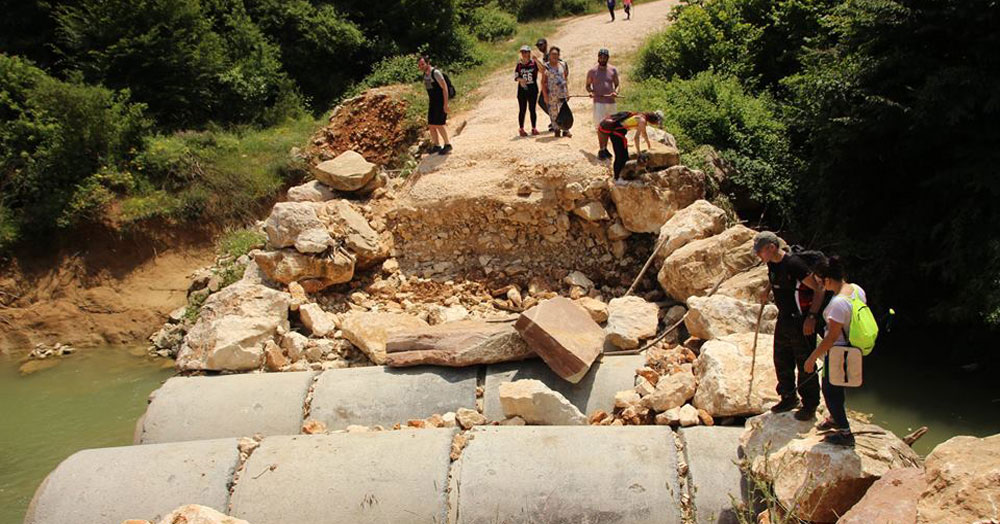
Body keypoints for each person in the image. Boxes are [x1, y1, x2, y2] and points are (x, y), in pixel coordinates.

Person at [753, 231, 826, 421]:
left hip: (801, 320)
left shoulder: (794, 265)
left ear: (771, 247)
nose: (758, 255)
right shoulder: (772, 263)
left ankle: (810, 404)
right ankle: (788, 397)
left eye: (760, 251)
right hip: (784, 318)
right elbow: (774, 279)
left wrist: (812, 317)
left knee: (805, 363)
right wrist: (767, 290)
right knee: (781, 358)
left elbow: (819, 289)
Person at [805, 256, 865, 446]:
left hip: (838, 352)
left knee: (830, 391)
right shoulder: (856, 289)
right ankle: (833, 418)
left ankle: (845, 433)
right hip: (852, 348)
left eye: (821, 281)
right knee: (839, 386)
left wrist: (811, 358)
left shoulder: (838, 304)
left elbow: (831, 338)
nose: (820, 286)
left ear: (828, 279)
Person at [597, 110, 662, 178]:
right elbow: (636, 138)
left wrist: (648, 144)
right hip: (617, 132)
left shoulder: (641, 116)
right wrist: (639, 152)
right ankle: (616, 178)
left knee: (625, 156)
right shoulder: (642, 121)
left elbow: (644, 134)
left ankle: (621, 174)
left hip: (619, 131)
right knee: (620, 157)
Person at [586, 48, 620, 159]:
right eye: (601, 57)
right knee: (600, 126)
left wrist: (615, 92)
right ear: (598, 57)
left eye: (605, 57)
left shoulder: (613, 70)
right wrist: (591, 92)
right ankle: (601, 149)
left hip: (611, 102)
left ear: (608, 58)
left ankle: (606, 148)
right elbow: (587, 86)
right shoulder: (592, 71)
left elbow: (617, 85)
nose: (602, 59)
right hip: (599, 102)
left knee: (610, 126)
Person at [417, 56, 452, 155]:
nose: (421, 66)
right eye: (419, 65)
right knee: (431, 125)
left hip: (440, 102)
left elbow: (444, 88)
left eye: (422, 64)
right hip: (433, 103)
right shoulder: (425, 75)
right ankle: (437, 145)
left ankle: (447, 144)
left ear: (428, 63)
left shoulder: (435, 73)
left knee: (439, 124)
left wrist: (445, 104)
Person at [534, 38, 567, 131]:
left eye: (541, 45)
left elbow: (545, 70)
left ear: (546, 44)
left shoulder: (549, 55)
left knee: (547, 102)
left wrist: (536, 60)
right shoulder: (545, 55)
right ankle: (556, 120)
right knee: (544, 102)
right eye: (538, 46)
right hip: (550, 83)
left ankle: (557, 121)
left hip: (554, 84)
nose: (539, 47)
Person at [540, 46, 572, 138]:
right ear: (549, 55)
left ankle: (566, 130)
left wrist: (568, 92)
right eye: (552, 54)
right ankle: (557, 129)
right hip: (552, 94)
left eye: (556, 54)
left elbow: (565, 78)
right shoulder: (546, 66)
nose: (554, 56)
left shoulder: (563, 64)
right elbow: (543, 82)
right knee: (553, 112)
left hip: (562, 93)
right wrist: (545, 95)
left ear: (559, 55)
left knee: (564, 111)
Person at [514, 45, 540, 137]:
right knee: (522, 109)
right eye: (522, 52)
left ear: (529, 53)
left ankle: (534, 128)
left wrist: (537, 60)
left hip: (532, 88)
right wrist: (521, 80)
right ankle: (521, 128)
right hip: (522, 89)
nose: (524, 54)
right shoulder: (519, 65)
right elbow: (516, 77)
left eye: (525, 52)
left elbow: (541, 70)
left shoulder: (533, 63)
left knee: (532, 109)